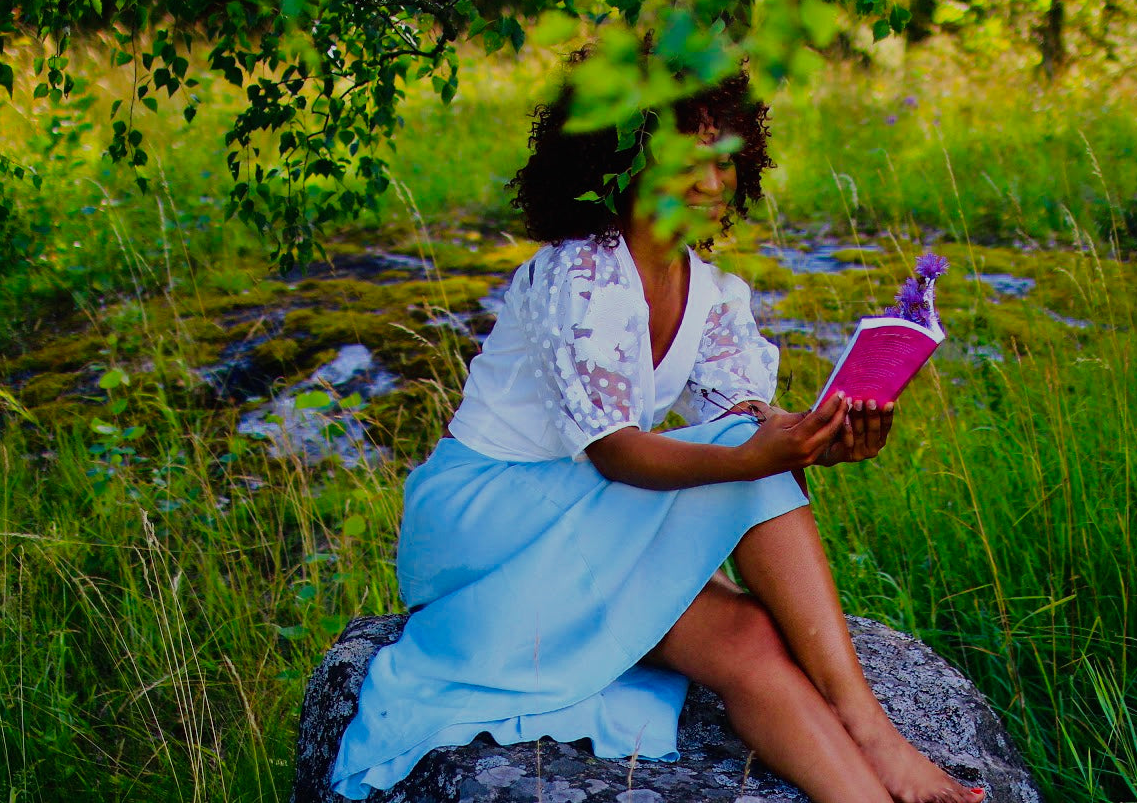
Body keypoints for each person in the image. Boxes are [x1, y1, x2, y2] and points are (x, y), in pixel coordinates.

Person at [330, 53, 983, 803]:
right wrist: (760, 451)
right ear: (624, 166)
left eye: (724, 160)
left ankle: (862, 792)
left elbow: (743, 427)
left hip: (583, 520)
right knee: (746, 458)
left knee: (750, 638)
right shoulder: (578, 273)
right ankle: (866, 721)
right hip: (487, 525)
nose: (709, 183)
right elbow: (617, 452)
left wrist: (820, 441)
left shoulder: (712, 296)